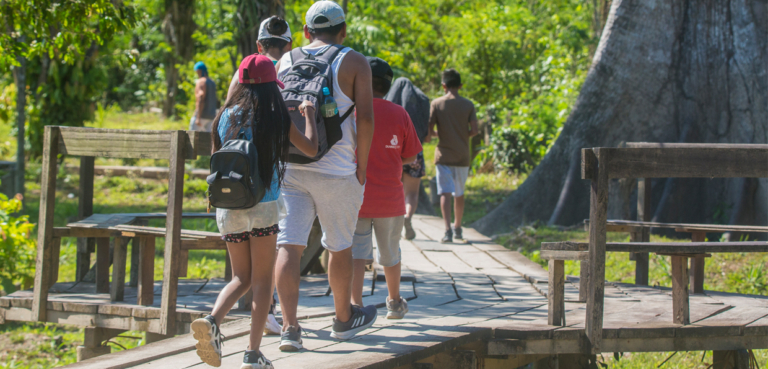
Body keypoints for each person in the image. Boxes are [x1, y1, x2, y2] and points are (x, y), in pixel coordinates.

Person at [191, 54, 319, 369]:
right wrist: (310, 116)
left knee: (240, 277)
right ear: (270, 86)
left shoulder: (224, 116)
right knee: (262, 280)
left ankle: (211, 320)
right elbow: (311, 149)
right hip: (264, 206)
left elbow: (214, 159)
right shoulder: (276, 117)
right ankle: (252, 353)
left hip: (228, 205)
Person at [273, 0, 376, 351]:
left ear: (305, 32)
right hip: (338, 170)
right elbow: (365, 118)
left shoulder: (285, 59)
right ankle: (343, 320)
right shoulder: (354, 60)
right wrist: (362, 165)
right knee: (339, 244)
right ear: (343, 31)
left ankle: (289, 327)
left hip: (290, 166)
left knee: (289, 242)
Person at [351, 57, 422, 318]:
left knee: (357, 255)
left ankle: (355, 304)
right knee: (390, 253)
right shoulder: (399, 113)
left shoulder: (352, 112)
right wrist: (393, 159)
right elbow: (412, 155)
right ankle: (393, 301)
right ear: (389, 86)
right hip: (390, 199)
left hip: (356, 197)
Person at [426, 68, 479, 244]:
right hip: (462, 156)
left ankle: (447, 230)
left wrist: (439, 134)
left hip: (443, 156)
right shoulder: (468, 105)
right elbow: (475, 131)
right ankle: (458, 228)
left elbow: (429, 130)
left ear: (443, 86)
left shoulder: (437, 103)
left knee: (445, 193)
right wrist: (462, 135)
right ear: (461, 85)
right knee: (459, 193)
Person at [384, 78, 431, 240]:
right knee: (411, 192)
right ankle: (408, 217)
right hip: (414, 152)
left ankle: (390, 223)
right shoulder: (420, 103)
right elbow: (427, 134)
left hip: (391, 149)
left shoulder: (388, 103)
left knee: (390, 188)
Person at [227, 16, 293, 102]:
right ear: (290, 45)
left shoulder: (245, 70)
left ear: (259, 46)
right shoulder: (295, 69)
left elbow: (227, 108)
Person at [191, 61, 218, 132]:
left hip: (202, 115)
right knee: (208, 139)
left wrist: (198, 117)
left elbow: (201, 98)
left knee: (191, 136)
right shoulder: (212, 82)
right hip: (212, 116)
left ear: (199, 71)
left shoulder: (200, 81)